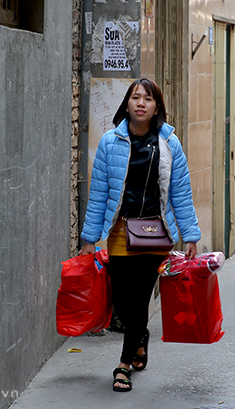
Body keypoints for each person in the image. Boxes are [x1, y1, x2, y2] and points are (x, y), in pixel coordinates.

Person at [79, 78, 201, 392]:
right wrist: (90, 239)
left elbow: (181, 193)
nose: (141, 103)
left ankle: (123, 365)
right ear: (128, 103)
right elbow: (98, 194)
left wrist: (189, 235)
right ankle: (140, 337)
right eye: (136, 97)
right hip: (120, 231)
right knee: (122, 304)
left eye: (147, 98)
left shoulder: (170, 143)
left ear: (157, 106)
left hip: (155, 234)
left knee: (141, 298)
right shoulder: (110, 142)